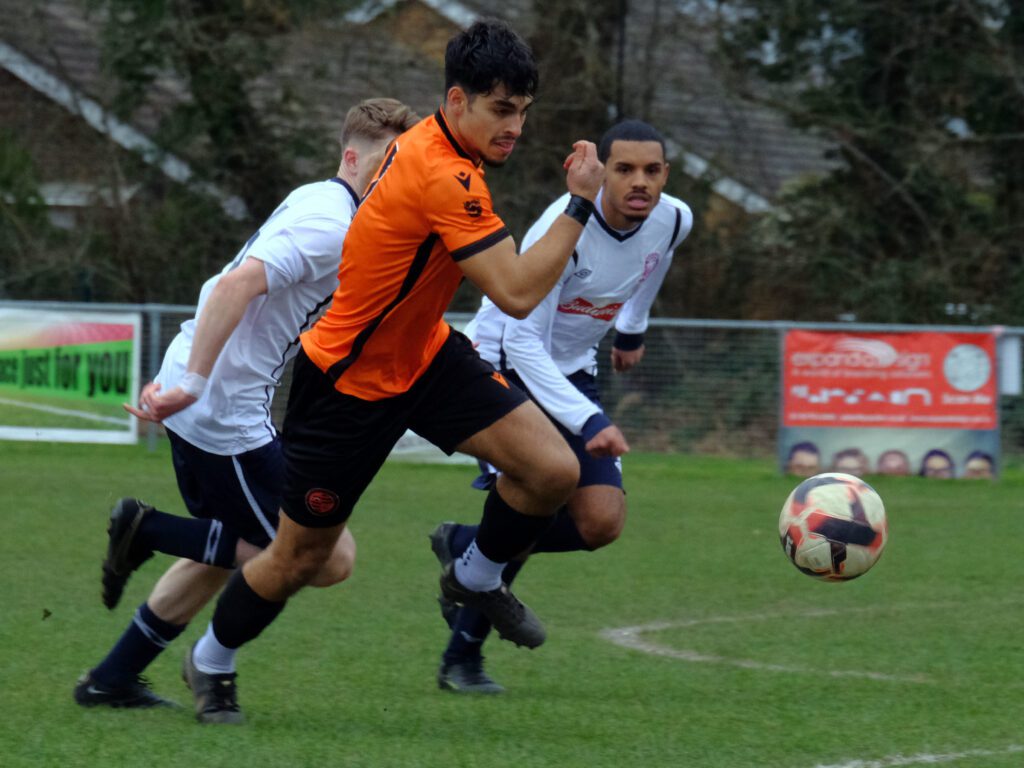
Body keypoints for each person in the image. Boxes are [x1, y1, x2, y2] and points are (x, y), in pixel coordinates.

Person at [178, 19, 605, 722]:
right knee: (298, 561)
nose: (515, 129)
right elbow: (519, 291)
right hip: (347, 384)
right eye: (502, 111)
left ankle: (473, 577)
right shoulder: (443, 174)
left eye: (524, 113)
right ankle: (211, 659)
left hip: (426, 357)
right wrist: (582, 202)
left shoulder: (434, 150)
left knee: (553, 472)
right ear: (457, 100)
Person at [73, 98, 420, 722]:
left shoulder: (322, 200)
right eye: (385, 163)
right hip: (223, 416)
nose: (395, 176)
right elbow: (236, 285)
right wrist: (196, 379)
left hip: (207, 400)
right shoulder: (332, 225)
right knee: (319, 557)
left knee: (226, 552)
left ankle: (111, 678)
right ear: (351, 157)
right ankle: (145, 529)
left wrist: (188, 372)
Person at [427, 118, 692, 693]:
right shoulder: (565, 225)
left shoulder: (674, 218)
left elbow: (656, 262)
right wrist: (588, 420)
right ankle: (462, 660)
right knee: (533, 501)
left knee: (600, 522)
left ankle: (469, 547)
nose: (638, 182)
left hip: (570, 372)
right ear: (602, 173)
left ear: (665, 174)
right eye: (624, 169)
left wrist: (631, 328)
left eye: (651, 170)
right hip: (501, 368)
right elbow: (521, 339)